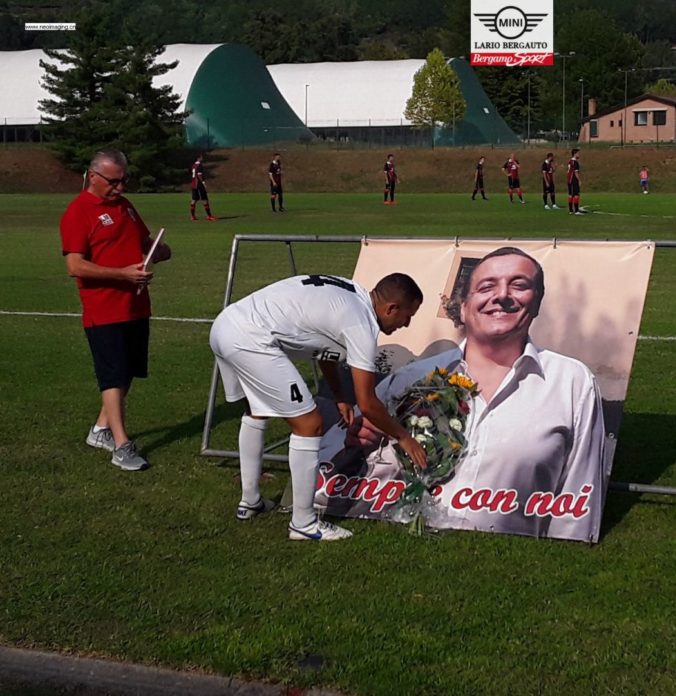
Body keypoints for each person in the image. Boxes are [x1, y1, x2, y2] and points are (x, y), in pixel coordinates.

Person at [332, 247, 606, 541]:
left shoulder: (572, 382)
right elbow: (349, 453)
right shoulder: (409, 380)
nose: (502, 295)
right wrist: (362, 441)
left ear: (537, 302)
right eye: (487, 286)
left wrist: (568, 546)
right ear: (463, 308)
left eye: (519, 285)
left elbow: (581, 488)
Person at [209, 273, 428, 541]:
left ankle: (250, 501)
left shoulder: (352, 292)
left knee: (257, 411)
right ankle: (303, 523)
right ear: (391, 308)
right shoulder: (361, 323)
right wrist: (404, 437)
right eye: (408, 315)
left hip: (225, 325)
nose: (406, 324)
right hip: (250, 339)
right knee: (309, 425)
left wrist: (338, 395)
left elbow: (325, 348)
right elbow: (368, 403)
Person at [60, 148, 172, 472]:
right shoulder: (78, 211)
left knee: (126, 373)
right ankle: (121, 445)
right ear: (93, 176)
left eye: (124, 181)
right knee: (112, 375)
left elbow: (143, 241)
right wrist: (122, 273)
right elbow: (74, 265)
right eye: (114, 181)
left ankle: (100, 430)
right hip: (103, 309)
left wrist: (158, 252)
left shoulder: (124, 206)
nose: (121, 187)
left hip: (136, 305)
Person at [189, 153, 215, 221]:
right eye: (201, 157)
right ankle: (209, 216)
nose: (202, 158)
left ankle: (192, 216)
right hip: (199, 184)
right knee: (204, 199)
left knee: (194, 199)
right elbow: (199, 175)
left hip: (193, 184)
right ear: (198, 158)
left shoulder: (194, 165)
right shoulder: (199, 165)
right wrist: (203, 182)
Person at [567, 148, 582, 215]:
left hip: (569, 180)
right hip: (573, 180)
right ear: (575, 154)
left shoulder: (570, 161)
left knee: (570, 195)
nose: (579, 154)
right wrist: (579, 180)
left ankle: (570, 210)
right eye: (578, 153)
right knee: (576, 195)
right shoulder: (575, 162)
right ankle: (576, 211)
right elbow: (576, 173)